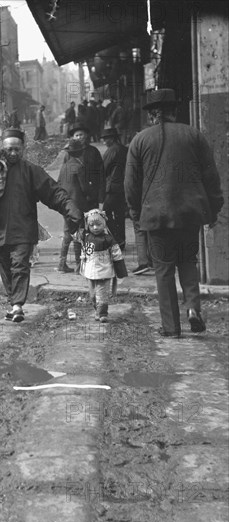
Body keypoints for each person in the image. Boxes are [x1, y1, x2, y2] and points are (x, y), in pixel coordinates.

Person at [124, 88, 224, 337]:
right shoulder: (194, 135)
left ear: (152, 115)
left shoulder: (140, 140)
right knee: (188, 261)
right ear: (174, 111)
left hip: (156, 216)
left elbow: (130, 185)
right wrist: (213, 209)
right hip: (190, 213)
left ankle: (171, 327)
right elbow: (211, 177)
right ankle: (192, 308)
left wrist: (138, 215)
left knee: (164, 269)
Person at [0, 128, 82, 322]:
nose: (13, 153)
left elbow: (53, 193)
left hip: (23, 229)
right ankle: (14, 303)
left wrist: (70, 208)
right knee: (6, 268)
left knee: (20, 266)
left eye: (17, 149)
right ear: (2, 148)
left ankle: (17, 305)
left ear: (23, 148)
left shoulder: (31, 171)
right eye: (9, 149)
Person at [57, 123, 105, 273]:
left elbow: (59, 183)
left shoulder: (65, 166)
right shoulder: (78, 167)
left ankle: (61, 263)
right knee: (79, 234)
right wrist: (90, 196)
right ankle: (79, 265)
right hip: (79, 204)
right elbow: (84, 188)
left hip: (66, 204)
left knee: (67, 234)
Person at [73, 209, 127, 322]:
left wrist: (120, 270)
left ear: (104, 224)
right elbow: (76, 239)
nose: (95, 228)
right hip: (89, 271)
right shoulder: (86, 237)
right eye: (92, 225)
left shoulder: (109, 239)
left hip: (104, 270)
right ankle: (97, 310)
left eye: (99, 224)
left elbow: (117, 255)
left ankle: (103, 313)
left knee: (101, 294)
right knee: (92, 295)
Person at [101, 128, 128, 250]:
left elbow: (103, 169)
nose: (104, 142)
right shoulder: (124, 149)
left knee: (106, 214)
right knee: (119, 215)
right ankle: (121, 241)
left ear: (112, 139)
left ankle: (116, 239)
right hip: (123, 186)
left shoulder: (111, 151)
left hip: (112, 187)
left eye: (106, 139)